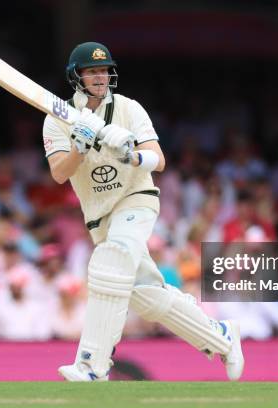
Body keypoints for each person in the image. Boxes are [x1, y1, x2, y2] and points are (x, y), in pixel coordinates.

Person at [42, 42, 243, 381]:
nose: (100, 76)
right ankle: (219, 335)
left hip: (137, 199)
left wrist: (130, 155)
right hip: (99, 215)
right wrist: (80, 146)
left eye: (104, 69)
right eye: (92, 71)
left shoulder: (128, 109)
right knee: (145, 295)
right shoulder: (57, 120)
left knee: (112, 259)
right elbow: (60, 173)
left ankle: (92, 365)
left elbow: (159, 160)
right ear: (76, 76)